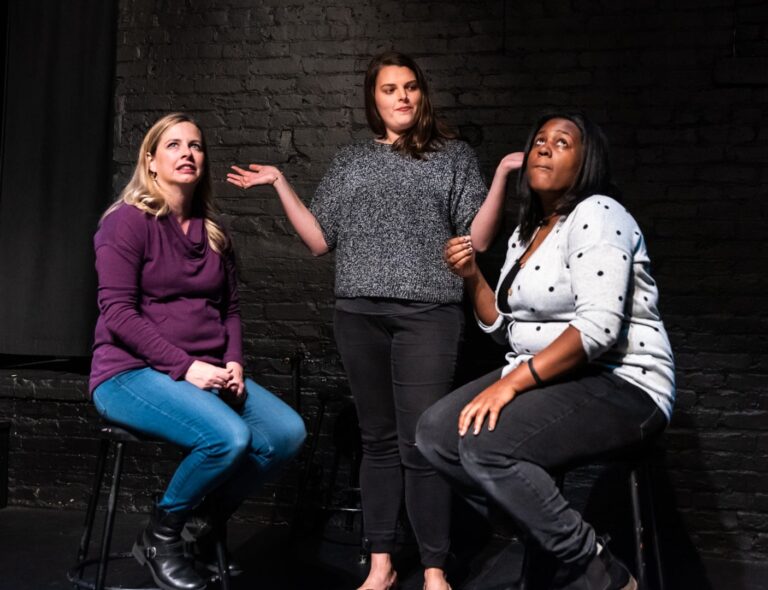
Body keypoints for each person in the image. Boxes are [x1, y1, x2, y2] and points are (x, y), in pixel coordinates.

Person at [227, 51, 520, 590]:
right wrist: (278, 184)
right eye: (390, 89)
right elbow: (319, 240)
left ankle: (434, 569)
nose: (402, 97)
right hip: (358, 314)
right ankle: (381, 564)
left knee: (421, 441)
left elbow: (477, 241)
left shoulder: (452, 157)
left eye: (410, 87)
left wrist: (501, 174)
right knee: (379, 440)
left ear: (422, 94)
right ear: (374, 100)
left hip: (428, 315)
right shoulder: (351, 161)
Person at [416, 112, 675, 590]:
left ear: (586, 162)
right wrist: (473, 275)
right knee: (435, 434)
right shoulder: (526, 233)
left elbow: (598, 329)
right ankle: (552, 543)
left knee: (484, 445)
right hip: (552, 375)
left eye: (562, 142)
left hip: (623, 381)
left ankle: (602, 575)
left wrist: (510, 385)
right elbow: (502, 328)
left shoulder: (598, 213)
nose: (544, 147)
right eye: (539, 140)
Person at [89, 113, 306, 590]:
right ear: (150, 160)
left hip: (203, 371)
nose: (187, 153)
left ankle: (197, 528)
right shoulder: (125, 224)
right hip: (128, 373)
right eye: (173, 145)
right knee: (228, 438)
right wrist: (186, 368)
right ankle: (161, 537)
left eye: (196, 146)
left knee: (286, 434)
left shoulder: (213, 231)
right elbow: (118, 314)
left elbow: (230, 309)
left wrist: (233, 361)